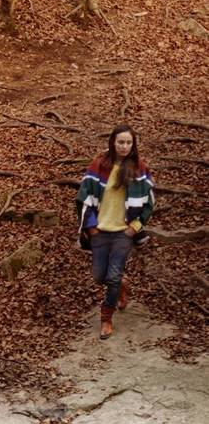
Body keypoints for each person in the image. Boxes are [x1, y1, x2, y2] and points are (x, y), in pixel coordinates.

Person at [75, 124, 155, 339]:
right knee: (99, 276)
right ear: (112, 142)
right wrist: (90, 228)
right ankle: (121, 285)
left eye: (129, 142)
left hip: (123, 233)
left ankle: (106, 318)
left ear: (133, 144)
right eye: (121, 142)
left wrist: (134, 227)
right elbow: (84, 198)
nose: (124, 146)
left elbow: (149, 203)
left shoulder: (140, 168)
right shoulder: (99, 166)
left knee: (112, 276)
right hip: (100, 231)